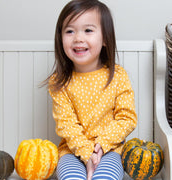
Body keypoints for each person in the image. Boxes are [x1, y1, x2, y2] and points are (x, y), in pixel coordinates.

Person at [47, 0, 137, 179]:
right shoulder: (59, 82)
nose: (78, 38)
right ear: (60, 38)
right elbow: (67, 125)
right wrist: (87, 154)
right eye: (70, 31)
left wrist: (100, 147)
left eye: (88, 30)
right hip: (72, 151)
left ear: (105, 38)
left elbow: (126, 118)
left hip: (109, 149)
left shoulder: (117, 75)